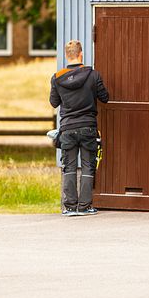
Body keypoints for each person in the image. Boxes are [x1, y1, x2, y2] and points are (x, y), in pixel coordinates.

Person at [50, 40, 109, 216]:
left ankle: (69, 207)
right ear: (81, 54)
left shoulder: (57, 78)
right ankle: (84, 207)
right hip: (88, 127)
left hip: (67, 128)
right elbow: (105, 97)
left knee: (68, 166)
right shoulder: (93, 75)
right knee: (87, 166)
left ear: (67, 55)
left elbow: (54, 103)